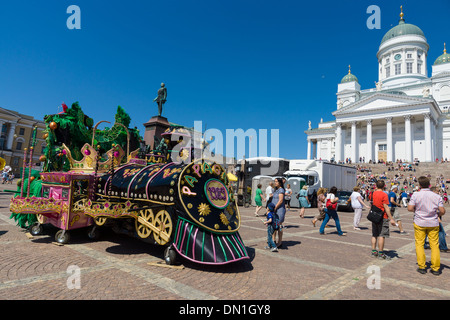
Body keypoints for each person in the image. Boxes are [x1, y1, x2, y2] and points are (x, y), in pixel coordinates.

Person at [408, 177, 446, 275]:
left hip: (419, 222)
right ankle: (436, 268)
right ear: (429, 184)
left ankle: (422, 266)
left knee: (419, 244)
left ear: (419, 185)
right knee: (434, 245)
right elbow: (442, 211)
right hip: (433, 223)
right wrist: (436, 214)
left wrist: (417, 211)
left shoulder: (416, 195)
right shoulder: (436, 196)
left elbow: (410, 208)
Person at [371, 180, 397, 260]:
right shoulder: (384, 194)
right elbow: (386, 207)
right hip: (382, 216)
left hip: (374, 215)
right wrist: (391, 218)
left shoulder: (373, 193)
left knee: (374, 234)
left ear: (376, 185)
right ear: (384, 186)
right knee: (382, 235)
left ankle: (374, 251)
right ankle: (381, 253)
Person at [271, 178, 286, 248]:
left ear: (280, 182)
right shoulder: (276, 190)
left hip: (279, 210)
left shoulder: (281, 190)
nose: (275, 183)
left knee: (279, 225)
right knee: (273, 225)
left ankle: (280, 241)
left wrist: (275, 207)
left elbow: (280, 200)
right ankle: (273, 240)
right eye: (275, 181)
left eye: (276, 182)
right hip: (274, 210)